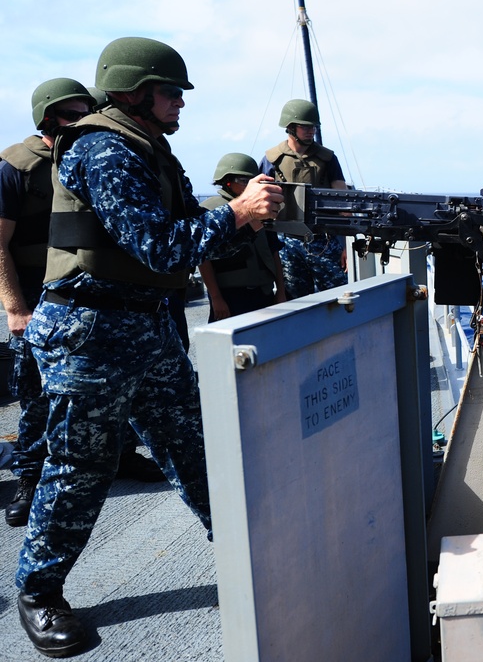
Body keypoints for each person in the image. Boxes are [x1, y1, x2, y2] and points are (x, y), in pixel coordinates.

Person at [14, 36, 283, 657]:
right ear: (134, 92)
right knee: (80, 468)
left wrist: (248, 215)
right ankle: (38, 592)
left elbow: (191, 233)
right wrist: (237, 213)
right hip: (89, 334)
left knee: (194, 447)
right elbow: (159, 246)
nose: (180, 103)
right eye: (170, 92)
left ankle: (249, 554)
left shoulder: (150, 150)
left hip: (146, 326)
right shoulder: (104, 149)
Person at [0, 81, 165, 531]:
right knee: (38, 398)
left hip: (90, 298)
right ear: (46, 118)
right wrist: (15, 308)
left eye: (87, 112)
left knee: (117, 386)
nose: (84, 121)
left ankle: (123, 455)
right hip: (37, 299)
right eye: (73, 115)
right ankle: (29, 479)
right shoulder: (16, 169)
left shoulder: (95, 154)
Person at [259, 99, 350, 298]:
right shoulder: (272, 160)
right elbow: (260, 204)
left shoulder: (328, 158)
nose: (311, 131)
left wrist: (346, 246)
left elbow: (344, 204)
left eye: (314, 127)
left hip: (324, 240)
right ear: (291, 128)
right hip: (287, 242)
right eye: (306, 127)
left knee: (337, 298)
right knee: (295, 301)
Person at [199, 152, 286, 320]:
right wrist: (216, 298)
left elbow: (274, 252)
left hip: (264, 292)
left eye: (253, 181)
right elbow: (203, 260)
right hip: (231, 296)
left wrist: (281, 292)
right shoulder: (211, 212)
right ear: (227, 181)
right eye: (244, 181)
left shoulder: (262, 209)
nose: (250, 186)